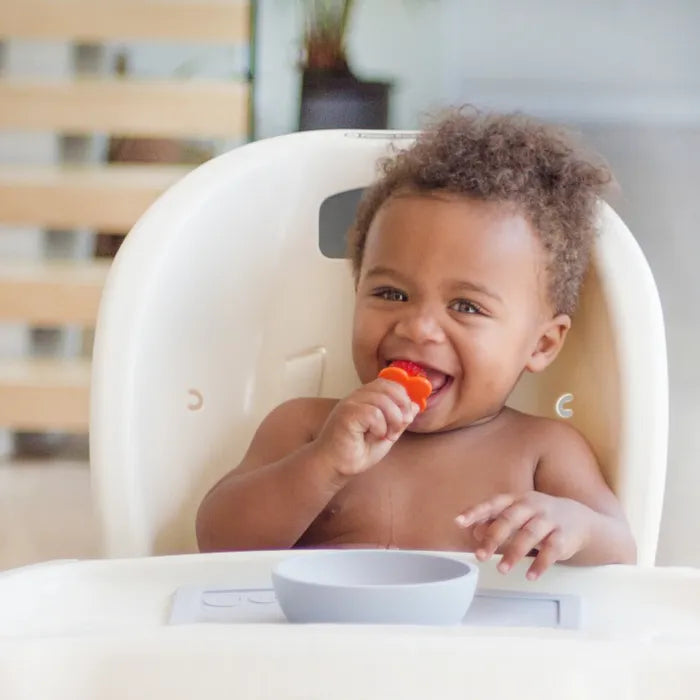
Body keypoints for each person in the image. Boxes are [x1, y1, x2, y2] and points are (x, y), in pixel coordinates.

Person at [196, 109, 636, 579]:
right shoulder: (305, 428)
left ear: (542, 344)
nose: (419, 328)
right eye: (391, 294)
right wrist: (323, 465)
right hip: (322, 647)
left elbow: (622, 552)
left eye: (467, 306)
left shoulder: (543, 452)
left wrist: (572, 526)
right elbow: (217, 542)